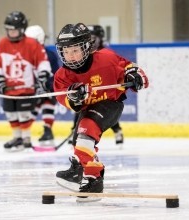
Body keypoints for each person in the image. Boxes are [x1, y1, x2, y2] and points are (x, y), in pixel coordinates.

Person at [53, 23, 149, 195]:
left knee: (85, 133)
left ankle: (86, 175)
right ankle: (89, 177)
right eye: (66, 52)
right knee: (80, 145)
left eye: (74, 50)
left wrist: (135, 76)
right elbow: (64, 98)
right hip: (88, 109)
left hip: (110, 105)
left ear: (86, 47)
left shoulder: (106, 58)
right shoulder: (62, 75)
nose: (70, 56)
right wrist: (73, 97)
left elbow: (130, 67)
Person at [0, 11, 52, 151]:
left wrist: (43, 74)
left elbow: (42, 61)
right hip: (9, 88)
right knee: (10, 113)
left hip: (26, 88)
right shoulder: (3, 43)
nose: (11, 33)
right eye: (9, 30)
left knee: (24, 113)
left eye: (14, 30)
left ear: (22, 29)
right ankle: (17, 137)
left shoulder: (32, 44)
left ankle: (26, 138)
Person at [68, 24, 124, 147]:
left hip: (104, 87)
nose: (92, 41)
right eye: (89, 38)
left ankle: (117, 131)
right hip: (89, 86)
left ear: (101, 39)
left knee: (104, 109)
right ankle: (75, 130)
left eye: (94, 38)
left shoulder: (106, 54)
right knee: (81, 105)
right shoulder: (83, 53)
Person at [25, 25, 60, 146]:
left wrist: (48, 85)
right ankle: (44, 131)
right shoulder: (48, 54)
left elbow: (55, 74)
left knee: (44, 104)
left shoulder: (48, 55)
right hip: (40, 88)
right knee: (40, 106)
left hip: (45, 88)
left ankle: (29, 134)